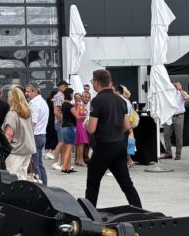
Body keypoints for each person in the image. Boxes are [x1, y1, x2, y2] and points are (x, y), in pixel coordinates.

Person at [84, 69, 141, 207]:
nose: (92, 84)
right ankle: (139, 210)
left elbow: (91, 128)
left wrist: (85, 124)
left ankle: (89, 213)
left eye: (92, 81)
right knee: (126, 183)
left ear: (97, 82)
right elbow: (126, 126)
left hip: (103, 146)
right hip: (119, 145)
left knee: (93, 183)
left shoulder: (97, 100)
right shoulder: (121, 100)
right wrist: (115, 132)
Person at [1, 86, 36, 179]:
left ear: (12, 99)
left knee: (11, 177)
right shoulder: (28, 113)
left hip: (15, 151)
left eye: (8, 97)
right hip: (27, 149)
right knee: (22, 177)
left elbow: (9, 135)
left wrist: (3, 150)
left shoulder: (12, 114)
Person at [24, 83, 49, 184]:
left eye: (28, 91)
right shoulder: (42, 102)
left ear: (34, 91)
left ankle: (39, 186)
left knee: (35, 165)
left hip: (35, 136)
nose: (26, 93)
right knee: (39, 163)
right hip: (41, 135)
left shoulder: (35, 104)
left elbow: (32, 123)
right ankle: (44, 185)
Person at [161, 81, 189, 161]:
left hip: (179, 116)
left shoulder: (182, 93)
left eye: (176, 85)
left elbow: (186, 98)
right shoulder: (168, 94)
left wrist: (180, 89)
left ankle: (178, 154)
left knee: (178, 136)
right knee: (166, 135)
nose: (174, 86)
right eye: (173, 85)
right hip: (169, 116)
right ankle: (168, 153)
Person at [56, 87, 78, 174]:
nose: (73, 96)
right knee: (69, 149)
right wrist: (85, 116)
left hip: (64, 127)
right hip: (70, 127)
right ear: (70, 95)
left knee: (66, 148)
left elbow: (61, 116)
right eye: (72, 94)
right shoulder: (70, 106)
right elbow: (77, 116)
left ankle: (68, 167)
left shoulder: (63, 105)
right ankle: (64, 168)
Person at [74, 89, 91, 166]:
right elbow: (77, 116)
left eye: (88, 97)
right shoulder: (78, 105)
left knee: (83, 143)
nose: (87, 98)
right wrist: (85, 117)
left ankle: (80, 159)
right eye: (85, 97)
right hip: (80, 124)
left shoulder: (88, 105)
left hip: (85, 125)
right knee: (80, 143)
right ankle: (79, 159)